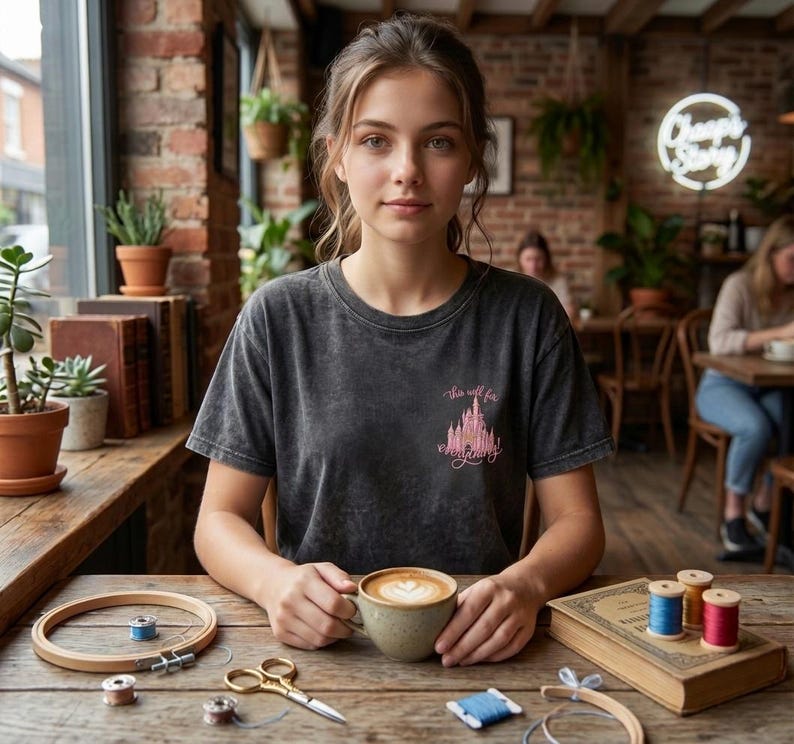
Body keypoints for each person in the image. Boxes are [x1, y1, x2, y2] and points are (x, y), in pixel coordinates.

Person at [187, 14, 613, 667]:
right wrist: (273, 581)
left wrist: (526, 585)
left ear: (473, 158)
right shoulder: (278, 318)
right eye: (376, 141)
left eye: (438, 142)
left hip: (483, 650)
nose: (407, 170)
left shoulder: (528, 318)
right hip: (319, 656)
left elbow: (578, 525)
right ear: (337, 154)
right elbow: (219, 521)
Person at [696, 214, 794, 552]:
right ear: (770, 254)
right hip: (722, 385)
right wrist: (780, 333)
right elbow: (719, 342)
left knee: (788, 421)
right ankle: (733, 516)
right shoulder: (739, 285)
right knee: (755, 427)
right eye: (791, 258)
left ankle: (766, 502)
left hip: (771, 386)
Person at [516, 229, 576, 318]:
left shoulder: (558, 282)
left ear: (546, 259)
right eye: (528, 259)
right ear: (519, 259)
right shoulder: (513, 280)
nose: (533, 265)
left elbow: (569, 313)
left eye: (538, 259)